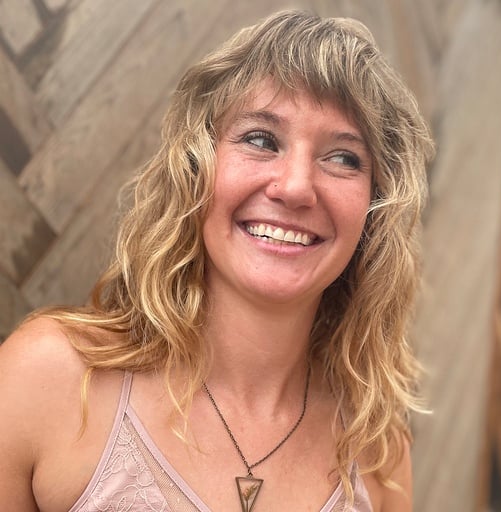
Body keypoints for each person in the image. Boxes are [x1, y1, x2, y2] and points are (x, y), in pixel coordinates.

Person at [0, 10, 434, 512]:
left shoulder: (378, 450)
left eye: (342, 158)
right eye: (261, 139)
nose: (295, 187)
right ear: (195, 168)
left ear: (376, 208)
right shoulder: (46, 378)